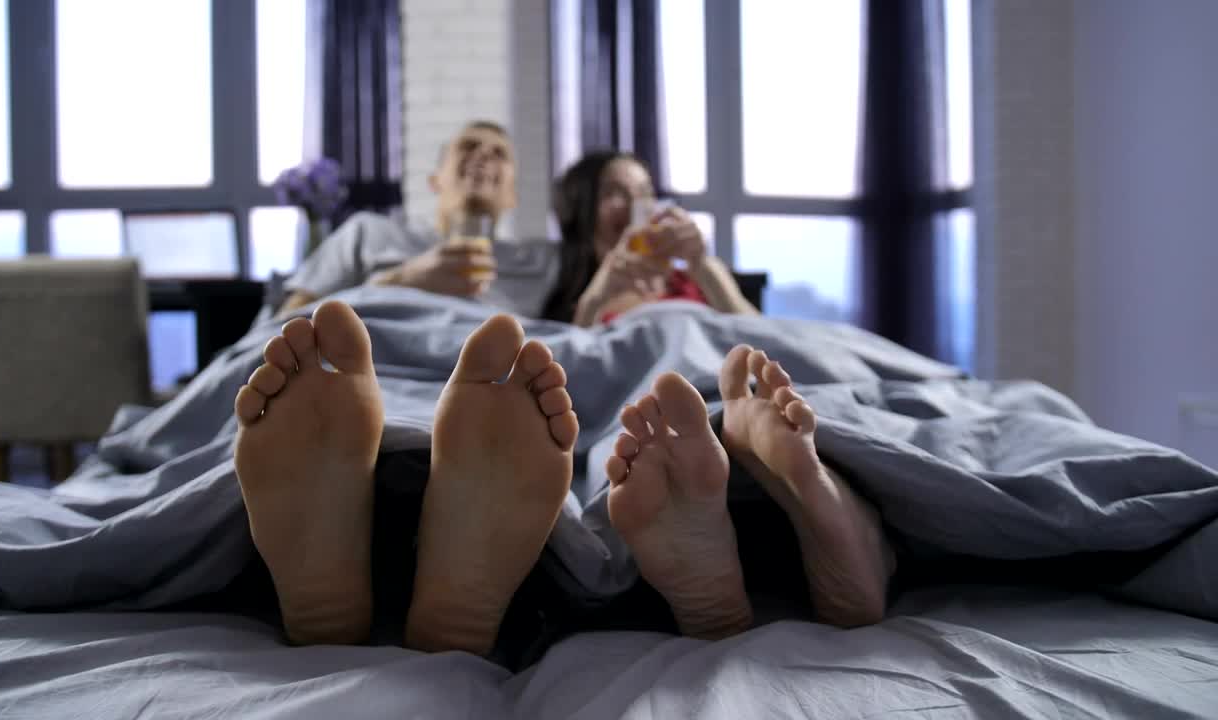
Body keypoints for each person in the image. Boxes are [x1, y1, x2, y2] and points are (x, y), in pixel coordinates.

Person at [233, 300, 895, 653]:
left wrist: (703, 276)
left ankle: (356, 577)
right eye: (610, 193)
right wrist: (415, 273)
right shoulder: (558, 278)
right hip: (587, 329)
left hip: (689, 328)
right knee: (662, 417)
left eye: (638, 190)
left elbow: (748, 317)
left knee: (667, 401)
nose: (632, 208)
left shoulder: (696, 274)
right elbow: (287, 306)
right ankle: (830, 513)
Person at [278, 120, 558, 317]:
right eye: (469, 146)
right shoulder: (369, 234)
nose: (484, 154)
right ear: (435, 181)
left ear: (513, 196)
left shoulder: (541, 261)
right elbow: (284, 326)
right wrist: (401, 280)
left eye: (499, 153)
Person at [543, 150, 759, 326]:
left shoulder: (698, 280)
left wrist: (704, 267)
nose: (635, 203)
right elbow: (571, 366)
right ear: (579, 211)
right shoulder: (580, 301)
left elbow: (765, 345)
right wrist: (594, 301)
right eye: (613, 193)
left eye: (644, 191)